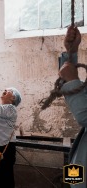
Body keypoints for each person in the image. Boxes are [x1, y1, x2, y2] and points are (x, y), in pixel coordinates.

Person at [59, 26, 86, 188]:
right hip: (78, 160)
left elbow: (84, 115)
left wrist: (72, 81)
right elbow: (70, 84)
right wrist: (71, 52)